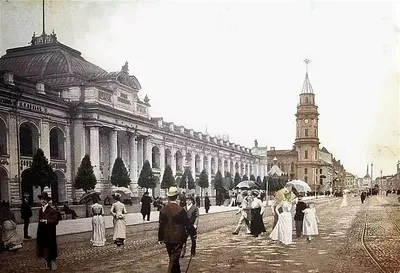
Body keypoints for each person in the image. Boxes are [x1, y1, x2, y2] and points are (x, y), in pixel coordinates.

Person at [158, 187, 197, 273]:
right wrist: (193, 233)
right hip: (178, 238)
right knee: (174, 259)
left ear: (168, 197)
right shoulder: (180, 210)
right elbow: (187, 223)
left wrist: (160, 238)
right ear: (177, 197)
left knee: (173, 258)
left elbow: (161, 225)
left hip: (167, 238)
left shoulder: (163, 210)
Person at [36, 192, 60, 270]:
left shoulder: (52, 210)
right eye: (41, 199)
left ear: (47, 201)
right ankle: (47, 263)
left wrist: (47, 221)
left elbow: (56, 220)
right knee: (43, 248)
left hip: (49, 232)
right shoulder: (40, 210)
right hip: (42, 232)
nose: (43, 201)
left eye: (44, 199)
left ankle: (53, 264)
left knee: (50, 248)